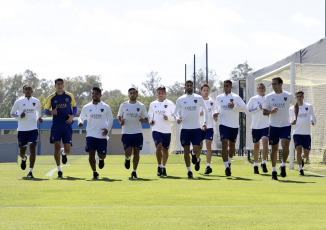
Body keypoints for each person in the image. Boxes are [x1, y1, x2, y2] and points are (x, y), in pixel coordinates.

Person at [263, 77, 298, 180]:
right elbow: (264, 112)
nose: (273, 86)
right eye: (272, 84)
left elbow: (296, 105)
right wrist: (271, 111)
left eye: (275, 84)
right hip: (273, 126)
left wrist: (295, 117)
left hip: (285, 126)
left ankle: (283, 165)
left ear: (281, 84)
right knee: (274, 149)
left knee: (285, 146)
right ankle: (274, 171)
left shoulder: (288, 96)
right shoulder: (269, 97)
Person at [174, 80, 209, 178]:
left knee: (197, 148)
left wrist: (205, 123)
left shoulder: (199, 98)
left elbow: (206, 110)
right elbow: (175, 112)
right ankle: (189, 171)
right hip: (185, 129)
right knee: (185, 151)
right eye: (187, 85)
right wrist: (177, 118)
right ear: (184, 87)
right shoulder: (180, 99)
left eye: (191, 85)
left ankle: (195, 156)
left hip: (196, 128)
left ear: (193, 87)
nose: (189, 87)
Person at [78, 87, 114, 179]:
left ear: (100, 95)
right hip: (90, 134)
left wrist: (107, 129)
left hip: (102, 135)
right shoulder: (86, 107)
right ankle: (94, 172)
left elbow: (110, 119)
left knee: (102, 155)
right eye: (93, 93)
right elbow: (81, 117)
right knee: (91, 153)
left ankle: (101, 159)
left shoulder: (106, 107)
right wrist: (80, 122)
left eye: (96, 94)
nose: (94, 95)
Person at [44, 78, 77, 178]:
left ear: (63, 85)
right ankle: (59, 170)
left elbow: (74, 107)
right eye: (58, 84)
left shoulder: (69, 96)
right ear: (55, 86)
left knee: (68, 149)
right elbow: (45, 110)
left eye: (61, 84)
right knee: (56, 146)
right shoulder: (51, 97)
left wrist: (72, 116)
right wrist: (51, 112)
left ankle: (64, 153)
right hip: (56, 126)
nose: (59, 86)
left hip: (67, 125)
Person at [10, 85, 43, 178]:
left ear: (32, 91)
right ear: (23, 91)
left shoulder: (36, 101)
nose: (28, 90)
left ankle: (30, 172)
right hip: (22, 130)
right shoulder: (19, 101)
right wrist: (20, 115)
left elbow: (38, 114)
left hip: (33, 129)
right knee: (22, 152)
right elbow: (12, 113)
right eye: (26, 89)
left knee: (33, 148)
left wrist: (39, 118)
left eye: (29, 89)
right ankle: (24, 158)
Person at [216, 80, 246, 176]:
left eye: (227, 86)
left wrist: (235, 107)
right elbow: (216, 108)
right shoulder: (218, 98)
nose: (225, 88)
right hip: (223, 124)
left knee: (232, 146)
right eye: (224, 86)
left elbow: (245, 108)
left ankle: (229, 161)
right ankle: (226, 167)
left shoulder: (236, 97)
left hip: (234, 125)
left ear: (231, 87)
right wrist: (215, 114)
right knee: (224, 143)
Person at [117, 88, 148, 179]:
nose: (133, 95)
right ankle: (127, 159)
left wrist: (143, 120)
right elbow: (119, 116)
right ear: (128, 95)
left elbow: (146, 119)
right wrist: (120, 122)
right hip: (126, 132)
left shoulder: (141, 106)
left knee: (137, 152)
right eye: (131, 93)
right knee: (128, 152)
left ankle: (134, 171)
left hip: (137, 132)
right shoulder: (123, 105)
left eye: (134, 93)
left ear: (137, 95)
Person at [148, 86, 175, 176]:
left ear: (165, 94)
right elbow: (149, 115)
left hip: (167, 131)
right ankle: (159, 166)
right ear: (157, 94)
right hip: (156, 129)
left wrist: (168, 118)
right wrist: (150, 121)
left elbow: (175, 117)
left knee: (165, 150)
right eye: (159, 93)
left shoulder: (171, 104)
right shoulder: (153, 104)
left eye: (162, 93)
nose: (161, 95)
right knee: (158, 146)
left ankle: (163, 167)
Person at [290, 91, 316, 176]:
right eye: (297, 96)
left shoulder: (308, 106)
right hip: (297, 133)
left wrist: (313, 121)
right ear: (295, 98)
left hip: (306, 134)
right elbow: (289, 120)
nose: (299, 98)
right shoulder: (292, 109)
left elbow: (313, 115)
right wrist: (291, 122)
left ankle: (301, 158)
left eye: (301, 96)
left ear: (303, 97)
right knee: (298, 150)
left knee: (306, 154)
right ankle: (300, 169)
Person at [247, 83, 269, 174]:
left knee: (265, 142)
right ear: (257, 90)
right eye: (259, 88)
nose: (261, 89)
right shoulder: (253, 99)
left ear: (265, 89)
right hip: (256, 126)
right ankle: (255, 164)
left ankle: (263, 162)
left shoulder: (268, 99)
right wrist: (258, 108)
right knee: (256, 146)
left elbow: (271, 110)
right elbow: (248, 110)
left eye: (263, 88)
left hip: (266, 125)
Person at [199, 84, 217, 175]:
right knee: (199, 146)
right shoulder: (198, 101)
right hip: (199, 127)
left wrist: (215, 116)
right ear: (201, 91)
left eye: (207, 90)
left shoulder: (212, 102)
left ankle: (208, 166)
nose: (206, 92)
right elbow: (196, 113)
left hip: (209, 126)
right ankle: (198, 158)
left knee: (208, 145)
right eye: (204, 90)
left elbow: (214, 112)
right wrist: (200, 113)